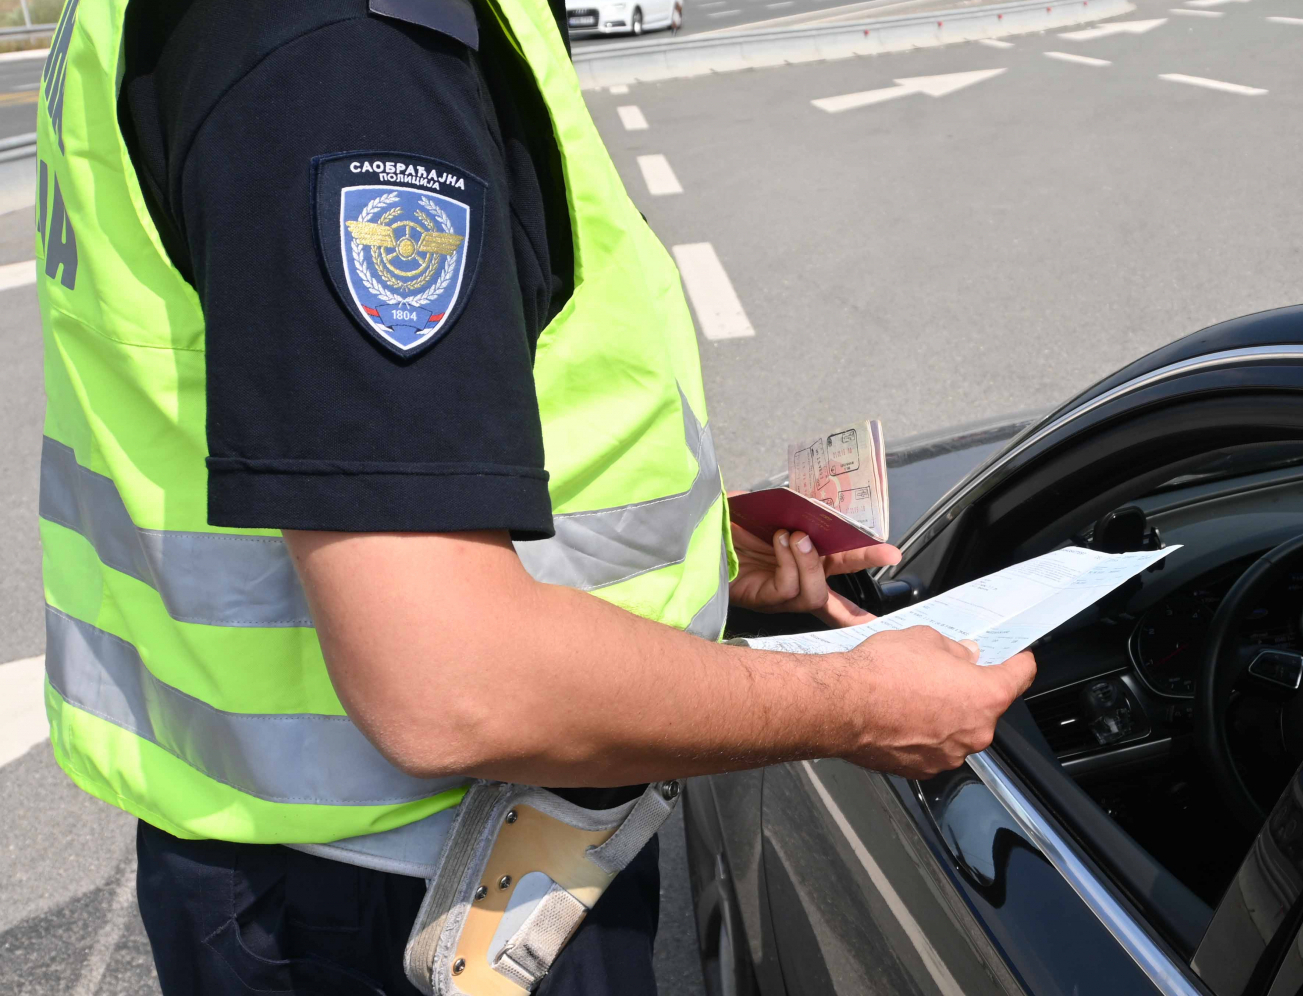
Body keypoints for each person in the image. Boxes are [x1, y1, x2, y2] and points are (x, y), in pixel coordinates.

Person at [33, 0, 1033, 993]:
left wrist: (694, 555)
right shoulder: (353, 56)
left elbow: (368, 446)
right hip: (412, 907)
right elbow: (451, 681)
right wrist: (855, 706)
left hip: (326, 872)